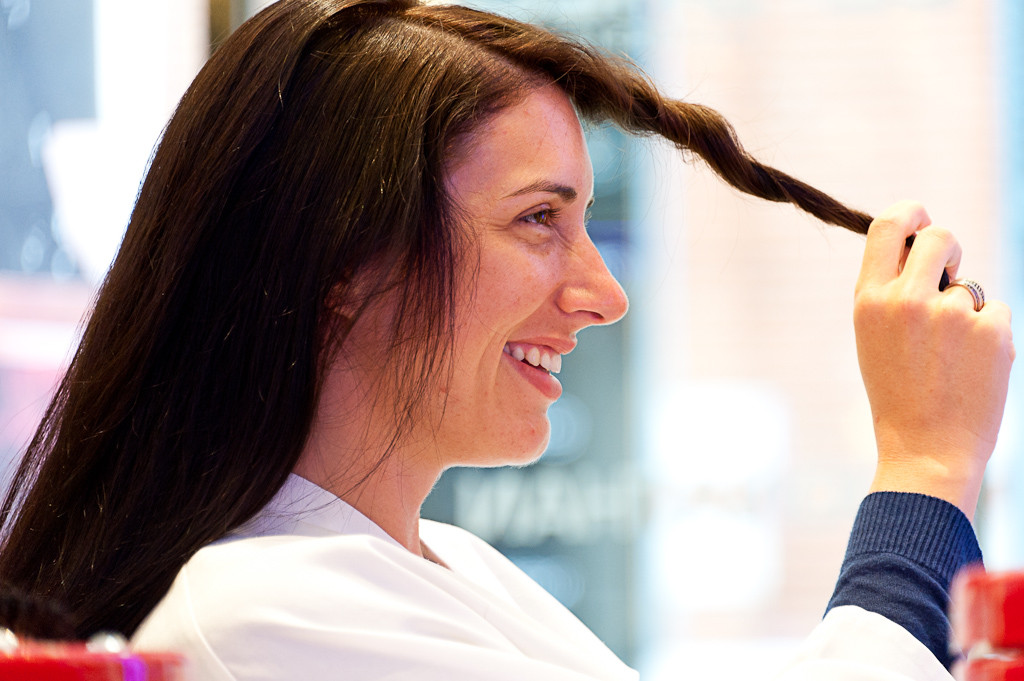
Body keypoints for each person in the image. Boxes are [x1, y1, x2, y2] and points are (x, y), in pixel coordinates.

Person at [0, 0, 1013, 678]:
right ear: (341, 267)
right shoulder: (262, 613)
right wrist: (923, 469)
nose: (604, 295)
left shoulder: (451, 569)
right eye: (538, 219)